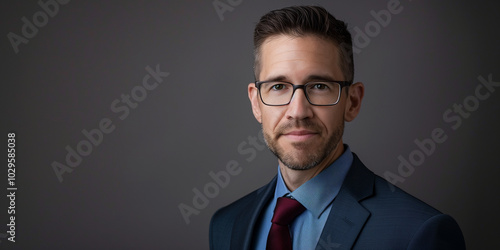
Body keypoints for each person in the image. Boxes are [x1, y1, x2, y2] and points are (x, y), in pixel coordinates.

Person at [209, 5, 465, 250]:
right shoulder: (226, 225)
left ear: (352, 102)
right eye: (278, 87)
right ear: (256, 102)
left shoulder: (418, 232)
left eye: (319, 86)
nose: (298, 111)